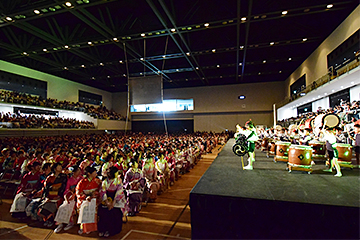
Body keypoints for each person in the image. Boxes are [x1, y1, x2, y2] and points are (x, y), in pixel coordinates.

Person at [98, 166, 126, 237]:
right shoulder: (104, 181)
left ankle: (110, 230)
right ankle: (103, 229)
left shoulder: (118, 180)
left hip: (115, 198)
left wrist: (113, 202)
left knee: (114, 213)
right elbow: (103, 192)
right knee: (104, 213)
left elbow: (119, 191)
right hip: (106, 198)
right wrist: (107, 202)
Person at [54, 165, 83, 233]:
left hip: (78, 197)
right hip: (71, 196)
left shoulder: (81, 179)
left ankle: (70, 222)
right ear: (74, 172)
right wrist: (67, 196)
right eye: (78, 171)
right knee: (62, 207)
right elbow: (67, 190)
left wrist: (75, 194)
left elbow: (81, 189)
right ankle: (60, 223)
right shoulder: (70, 180)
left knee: (71, 206)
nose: (80, 172)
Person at [37, 162, 68, 227]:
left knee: (53, 205)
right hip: (50, 196)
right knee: (45, 204)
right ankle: (47, 219)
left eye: (60, 166)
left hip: (58, 195)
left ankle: (50, 220)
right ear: (55, 168)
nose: (60, 167)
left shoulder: (64, 176)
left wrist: (58, 196)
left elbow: (63, 187)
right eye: (58, 166)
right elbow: (46, 189)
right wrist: (46, 197)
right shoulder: (49, 177)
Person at [75, 166, 101, 235]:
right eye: (94, 173)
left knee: (95, 206)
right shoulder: (82, 182)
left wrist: (94, 195)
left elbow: (101, 191)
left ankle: (93, 227)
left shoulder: (98, 181)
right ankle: (83, 227)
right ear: (89, 173)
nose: (96, 174)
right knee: (85, 207)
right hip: (85, 199)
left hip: (95, 199)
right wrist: (85, 197)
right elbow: (78, 193)